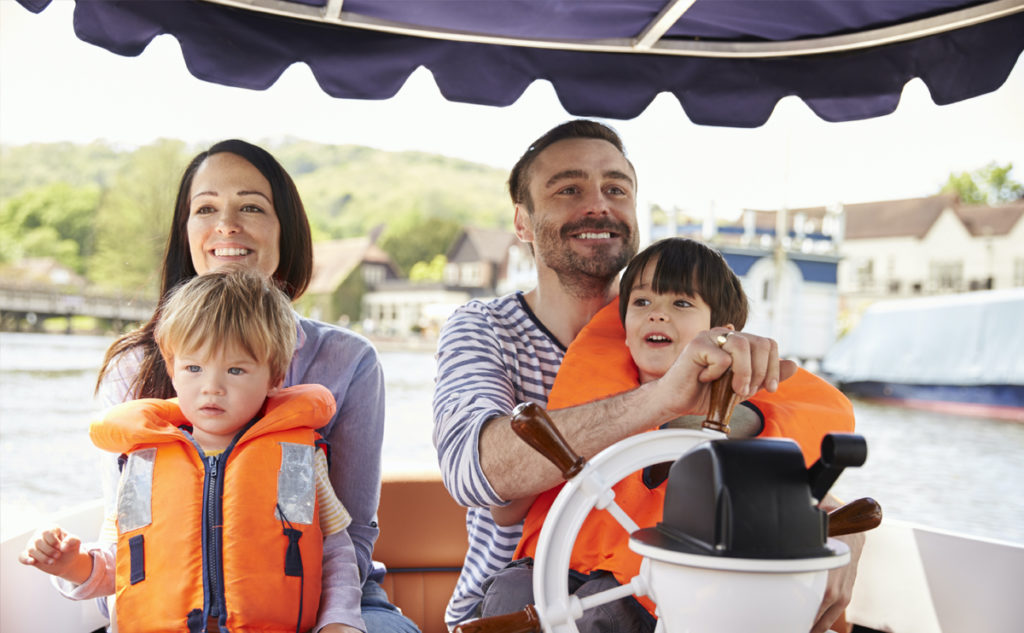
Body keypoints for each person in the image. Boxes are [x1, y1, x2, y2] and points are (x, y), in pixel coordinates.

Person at [432, 120, 862, 633]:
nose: (599, 205)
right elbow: (476, 474)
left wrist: (835, 524)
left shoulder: (701, 344)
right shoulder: (483, 329)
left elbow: (757, 451)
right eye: (569, 189)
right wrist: (662, 398)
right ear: (522, 222)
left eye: (616, 189)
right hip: (512, 604)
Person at [67, 139, 414, 633]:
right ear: (186, 232)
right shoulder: (133, 367)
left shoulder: (349, 360)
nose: (227, 225)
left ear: (285, 230)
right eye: (206, 208)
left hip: (332, 602)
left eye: (251, 207)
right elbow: (122, 550)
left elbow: (349, 539)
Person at [482, 237, 856, 632]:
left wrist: (836, 521)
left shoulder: (746, 421)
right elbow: (504, 511)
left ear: (721, 334)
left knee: (601, 616)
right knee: (509, 593)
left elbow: (779, 499)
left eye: (681, 303)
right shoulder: (589, 406)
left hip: (654, 595)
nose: (657, 314)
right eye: (642, 302)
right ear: (625, 329)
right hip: (553, 570)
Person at [20, 269, 365, 633]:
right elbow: (118, 564)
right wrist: (71, 564)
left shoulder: (297, 460)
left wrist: (340, 623)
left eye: (235, 370)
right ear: (172, 369)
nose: (211, 387)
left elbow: (335, 555)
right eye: (194, 368)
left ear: (275, 376)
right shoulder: (143, 463)